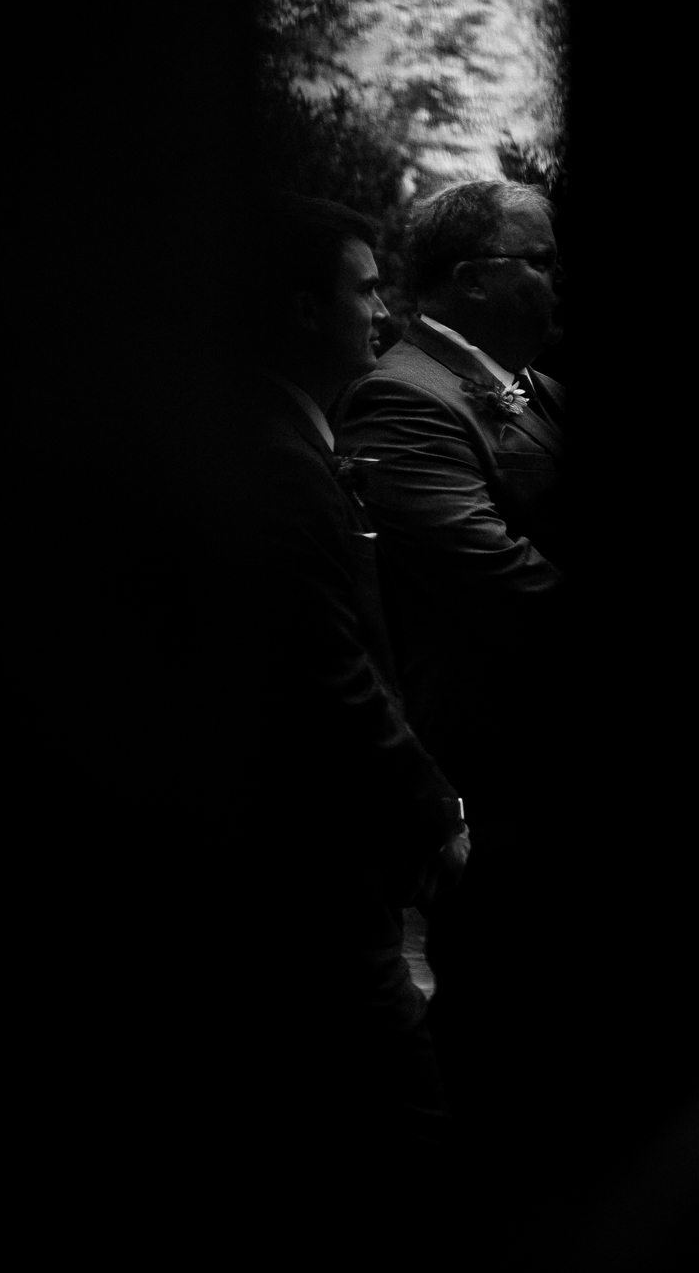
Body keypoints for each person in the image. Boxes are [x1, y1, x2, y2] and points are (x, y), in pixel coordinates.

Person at [215, 194, 469, 1246]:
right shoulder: (280, 464)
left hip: (334, 876)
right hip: (320, 877)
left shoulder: (296, 443)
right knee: (408, 1131)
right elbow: (333, 678)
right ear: (299, 309)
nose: (382, 310)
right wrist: (434, 808)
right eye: (363, 289)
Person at [335, 179, 566, 1166]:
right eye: (543, 261)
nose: (560, 284)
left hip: (549, 769)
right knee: (499, 1025)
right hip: (493, 778)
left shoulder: (521, 384)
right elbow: (502, 581)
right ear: (474, 280)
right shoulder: (404, 394)